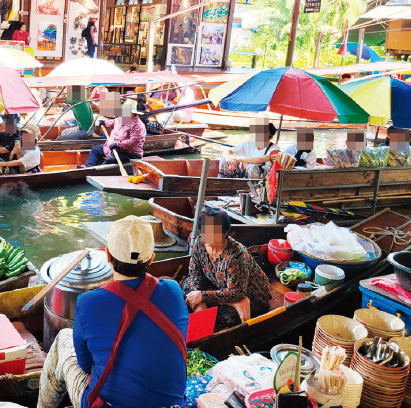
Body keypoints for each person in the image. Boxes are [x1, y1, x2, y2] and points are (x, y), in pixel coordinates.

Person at [38, 215, 188, 408]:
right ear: (152, 257)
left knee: (63, 340)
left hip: (108, 404)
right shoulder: (174, 290)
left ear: (107, 255)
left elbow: (85, 366)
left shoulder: (87, 303)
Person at [183, 209, 271, 331]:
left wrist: (202, 296)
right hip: (219, 287)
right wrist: (200, 302)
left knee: (227, 317)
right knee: (187, 284)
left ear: (225, 233)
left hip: (249, 295)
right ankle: (230, 303)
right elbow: (194, 273)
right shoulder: (199, 243)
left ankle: (236, 303)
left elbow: (236, 293)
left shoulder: (235, 256)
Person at [85, 99, 146, 167]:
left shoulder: (137, 126)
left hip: (129, 153)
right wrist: (105, 122)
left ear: (133, 113)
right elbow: (114, 121)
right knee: (95, 150)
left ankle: (99, 169)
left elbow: (134, 142)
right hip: (112, 148)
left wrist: (118, 145)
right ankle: (88, 167)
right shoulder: (123, 117)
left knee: (111, 159)